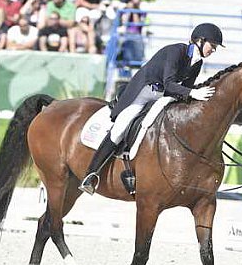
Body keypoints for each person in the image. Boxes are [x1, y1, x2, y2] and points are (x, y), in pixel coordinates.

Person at [79, 22, 224, 194]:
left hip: (162, 97)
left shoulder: (197, 63)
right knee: (121, 127)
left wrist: (193, 97)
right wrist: (193, 92)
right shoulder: (176, 51)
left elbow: (184, 89)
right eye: (212, 45)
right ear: (200, 40)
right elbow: (170, 84)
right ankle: (91, 174)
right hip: (143, 93)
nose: (213, 50)